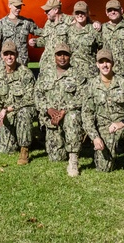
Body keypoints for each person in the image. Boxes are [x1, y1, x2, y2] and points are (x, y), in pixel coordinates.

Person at [81, 48, 124, 186]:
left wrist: (122, 122)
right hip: (104, 128)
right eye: (101, 62)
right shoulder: (92, 85)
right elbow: (86, 114)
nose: (105, 65)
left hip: (123, 125)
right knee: (104, 168)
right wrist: (95, 137)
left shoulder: (123, 82)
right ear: (97, 64)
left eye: (107, 61)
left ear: (113, 63)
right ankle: (112, 153)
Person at [34, 42, 86, 175]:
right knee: (56, 158)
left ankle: (73, 161)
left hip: (68, 117)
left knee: (73, 116)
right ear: (54, 56)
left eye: (66, 55)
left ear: (70, 56)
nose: (62, 58)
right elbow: (37, 94)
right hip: (51, 119)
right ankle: (62, 143)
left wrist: (64, 111)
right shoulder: (45, 73)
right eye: (59, 54)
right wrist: (48, 109)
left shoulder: (77, 74)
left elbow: (82, 97)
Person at [0, 40, 37, 164]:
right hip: (7, 115)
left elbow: (30, 98)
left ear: (17, 55)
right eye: (6, 54)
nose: (9, 57)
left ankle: (24, 150)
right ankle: (28, 138)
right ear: (2, 56)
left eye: (12, 54)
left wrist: (8, 109)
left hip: (22, 111)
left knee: (24, 113)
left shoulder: (25, 73)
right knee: (6, 149)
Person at [0, 0, 41, 70]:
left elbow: (43, 33)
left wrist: (37, 42)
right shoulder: (1, 24)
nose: (18, 9)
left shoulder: (26, 23)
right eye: (16, 6)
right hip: (6, 66)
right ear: (9, 5)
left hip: (22, 66)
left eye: (20, 6)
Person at [29, 0, 73, 78]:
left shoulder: (70, 21)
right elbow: (46, 40)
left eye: (47, 10)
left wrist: (96, 23)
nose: (45, 13)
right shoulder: (48, 23)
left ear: (56, 10)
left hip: (61, 65)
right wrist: (36, 42)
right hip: (46, 65)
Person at [100, 0, 124, 86]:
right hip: (111, 73)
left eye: (115, 10)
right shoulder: (103, 29)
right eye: (110, 10)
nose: (113, 12)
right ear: (106, 13)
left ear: (121, 10)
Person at [65, 1, 103, 77]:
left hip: (90, 73)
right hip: (73, 73)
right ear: (73, 14)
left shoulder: (94, 30)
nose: (80, 15)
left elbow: (102, 48)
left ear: (87, 13)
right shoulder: (68, 31)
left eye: (82, 12)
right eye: (77, 13)